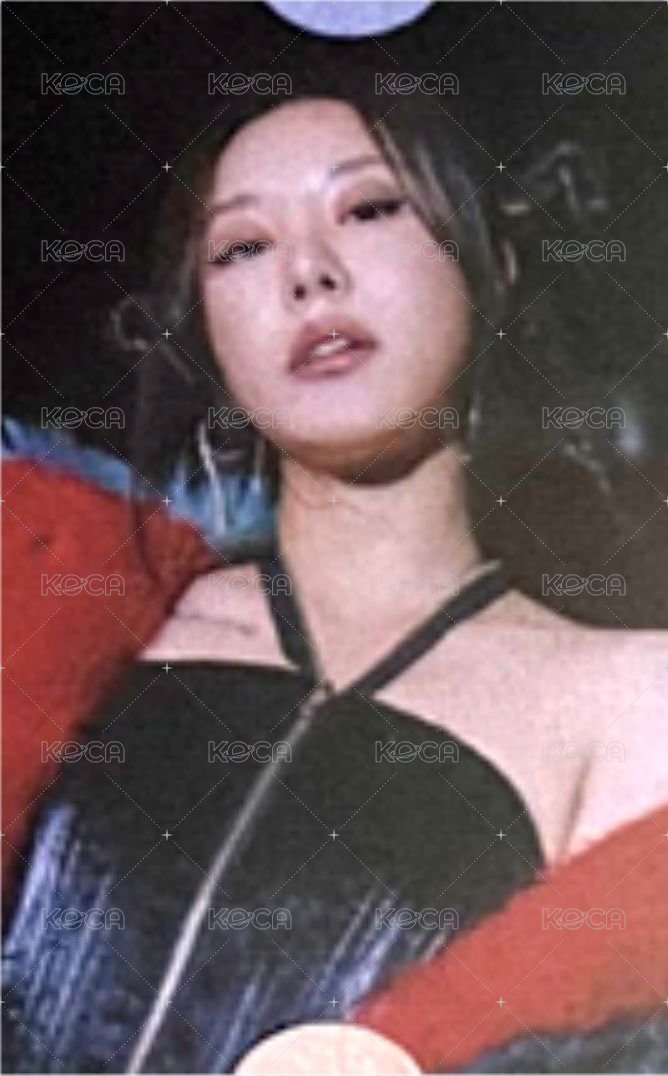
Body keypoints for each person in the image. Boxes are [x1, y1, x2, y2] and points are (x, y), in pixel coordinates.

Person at [3, 89, 667, 1073]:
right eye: (242, 247)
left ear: (493, 265)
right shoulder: (73, 617)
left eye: (369, 209)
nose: (308, 272)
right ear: (207, 331)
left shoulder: (629, 701)